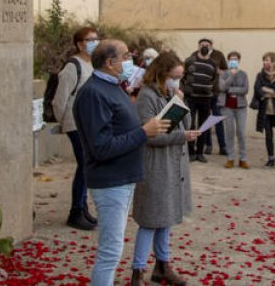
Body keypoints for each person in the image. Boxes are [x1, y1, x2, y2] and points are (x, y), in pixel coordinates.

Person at [72, 39, 169, 286]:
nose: (131, 61)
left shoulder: (114, 86)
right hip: (110, 181)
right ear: (109, 62)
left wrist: (145, 128)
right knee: (110, 253)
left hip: (122, 178)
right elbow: (101, 147)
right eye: (126, 56)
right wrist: (143, 132)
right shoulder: (93, 93)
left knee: (113, 251)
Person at [130, 52, 198, 286]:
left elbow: (186, 123)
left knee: (166, 217)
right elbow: (149, 135)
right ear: (162, 73)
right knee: (150, 219)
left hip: (173, 164)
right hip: (155, 165)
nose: (176, 82)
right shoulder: (147, 96)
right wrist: (182, 136)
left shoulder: (170, 93)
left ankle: (162, 265)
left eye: (179, 78)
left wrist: (180, 101)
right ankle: (138, 270)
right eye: (174, 77)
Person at [51, 26, 98, 231]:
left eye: (96, 39)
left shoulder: (93, 64)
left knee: (87, 165)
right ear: (79, 44)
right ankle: (76, 210)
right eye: (89, 40)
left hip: (89, 121)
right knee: (85, 163)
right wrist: (64, 122)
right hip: (75, 121)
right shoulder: (73, 66)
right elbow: (59, 100)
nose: (94, 43)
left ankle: (82, 206)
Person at [183, 39, 219, 163]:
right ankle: (191, 152)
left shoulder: (213, 64)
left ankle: (200, 153)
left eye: (207, 45)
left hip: (206, 99)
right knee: (190, 124)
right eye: (202, 45)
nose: (205, 47)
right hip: (191, 98)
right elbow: (182, 77)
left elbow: (214, 79)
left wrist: (210, 91)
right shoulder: (189, 60)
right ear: (198, 47)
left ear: (211, 48)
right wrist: (185, 90)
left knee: (203, 126)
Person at [252, 52, 275, 169]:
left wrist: (266, 90)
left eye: (267, 60)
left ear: (273, 62)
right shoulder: (260, 75)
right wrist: (273, 91)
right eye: (264, 60)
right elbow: (258, 90)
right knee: (268, 136)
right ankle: (271, 159)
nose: (265, 62)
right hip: (265, 111)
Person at [218, 51, 250, 169]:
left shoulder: (243, 74)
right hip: (227, 107)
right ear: (228, 61)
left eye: (235, 59)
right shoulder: (223, 74)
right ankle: (230, 157)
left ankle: (243, 158)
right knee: (229, 132)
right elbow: (222, 87)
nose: (233, 61)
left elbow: (245, 89)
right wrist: (231, 76)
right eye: (231, 59)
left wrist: (230, 90)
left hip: (241, 107)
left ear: (239, 61)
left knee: (241, 132)